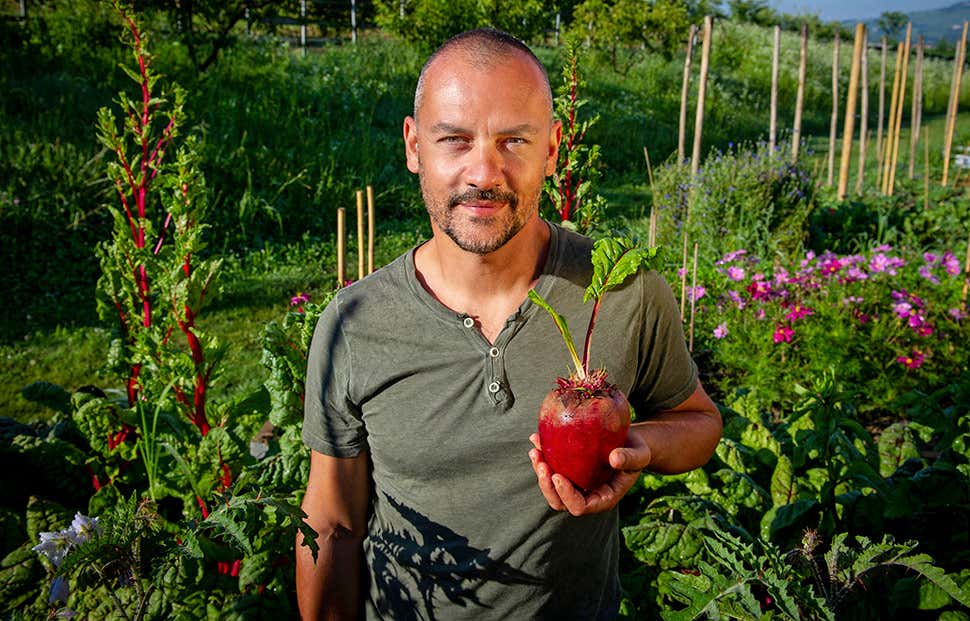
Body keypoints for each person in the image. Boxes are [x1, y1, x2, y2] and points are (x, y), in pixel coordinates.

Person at [295, 27, 722, 620]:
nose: (484, 173)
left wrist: (640, 446)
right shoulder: (354, 323)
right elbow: (333, 524)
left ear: (551, 149)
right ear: (414, 145)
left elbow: (698, 421)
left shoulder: (624, 293)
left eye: (514, 141)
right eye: (455, 139)